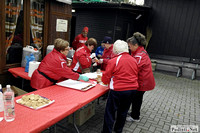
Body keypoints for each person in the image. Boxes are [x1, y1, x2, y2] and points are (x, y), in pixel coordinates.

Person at [101, 40, 138, 133]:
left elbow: (106, 76)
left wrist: (105, 82)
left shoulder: (114, 61)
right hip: (132, 89)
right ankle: (118, 130)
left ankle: (107, 131)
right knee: (123, 111)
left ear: (116, 50)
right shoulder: (134, 60)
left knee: (110, 112)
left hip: (118, 90)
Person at [126, 32, 156, 122]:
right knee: (136, 98)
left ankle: (135, 117)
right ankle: (134, 113)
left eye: (130, 46)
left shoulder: (139, 55)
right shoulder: (139, 51)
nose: (129, 48)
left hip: (142, 82)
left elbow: (133, 69)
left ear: (135, 45)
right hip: (142, 81)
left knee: (137, 99)